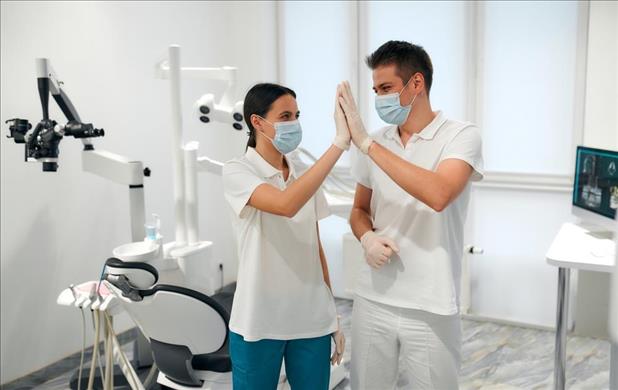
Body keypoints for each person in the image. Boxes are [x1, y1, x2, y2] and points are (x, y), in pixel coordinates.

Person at [338, 40, 484, 389]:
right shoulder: (374, 140)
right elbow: (359, 210)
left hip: (430, 303)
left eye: (386, 88)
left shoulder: (461, 136)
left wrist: (369, 147)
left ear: (416, 84)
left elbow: (438, 194)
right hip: (375, 298)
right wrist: (367, 237)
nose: (378, 99)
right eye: (375, 90)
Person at [222, 83, 349, 389]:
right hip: (259, 321)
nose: (294, 123)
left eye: (297, 115)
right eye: (285, 115)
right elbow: (285, 205)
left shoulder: (304, 173)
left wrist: (331, 314)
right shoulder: (237, 171)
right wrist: (339, 144)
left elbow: (314, 247)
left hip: (310, 319)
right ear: (257, 121)